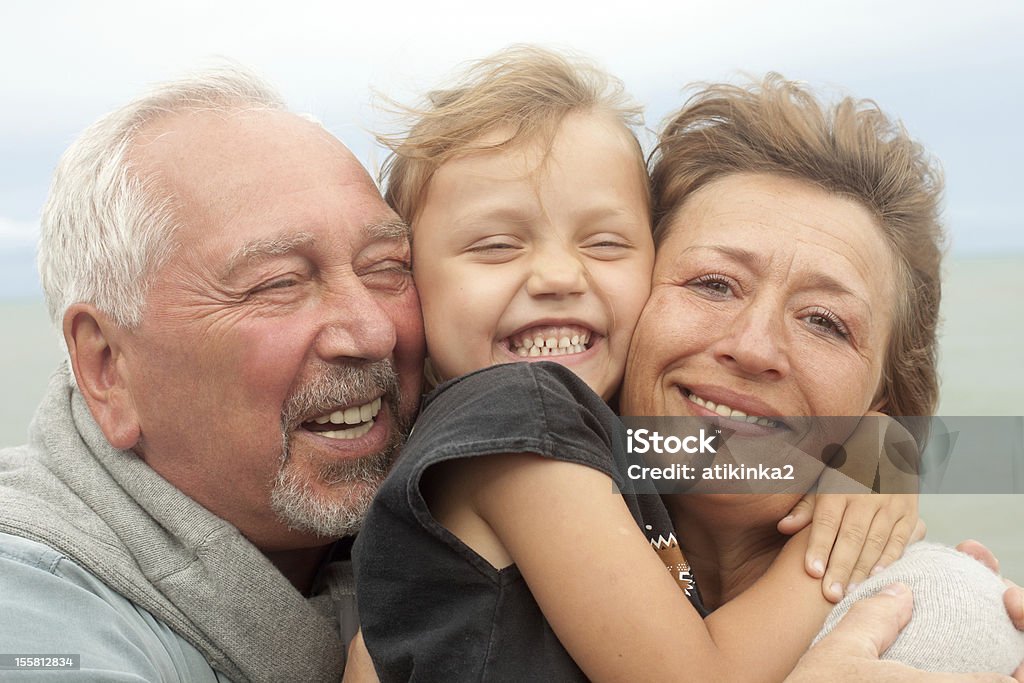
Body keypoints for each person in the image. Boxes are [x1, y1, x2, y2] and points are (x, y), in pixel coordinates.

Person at [351, 47, 932, 682]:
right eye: (714, 284)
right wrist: (853, 528)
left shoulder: (936, 617)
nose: (558, 276)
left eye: (824, 321)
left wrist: (885, 458)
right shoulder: (521, 415)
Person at [0, 66, 424, 681]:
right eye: (279, 283)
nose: (372, 332)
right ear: (106, 367)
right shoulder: (32, 605)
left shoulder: (465, 493)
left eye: (386, 266)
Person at [622, 74, 1024, 675]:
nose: (755, 347)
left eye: (825, 322)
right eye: (713, 283)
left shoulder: (925, 629)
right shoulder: (491, 553)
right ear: (623, 304)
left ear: (882, 402)